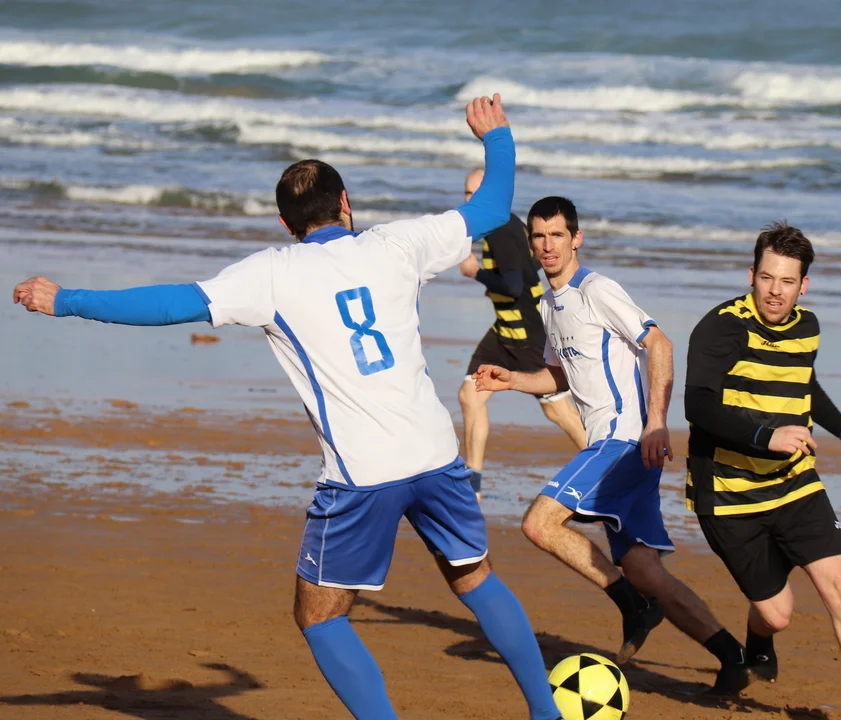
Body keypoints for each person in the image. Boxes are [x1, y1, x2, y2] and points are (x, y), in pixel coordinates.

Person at [12, 95, 563, 720]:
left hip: (361, 474)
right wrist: (497, 136)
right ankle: (546, 714)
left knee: (320, 616)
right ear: (346, 203)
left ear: (285, 223)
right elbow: (490, 209)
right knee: (475, 579)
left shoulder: (271, 274)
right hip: (437, 454)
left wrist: (67, 299)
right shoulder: (398, 243)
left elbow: (170, 304)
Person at [474, 196, 751, 694]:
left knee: (539, 523)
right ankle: (731, 656)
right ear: (530, 243)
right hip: (618, 447)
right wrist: (511, 380)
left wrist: (657, 424)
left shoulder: (597, 290)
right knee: (644, 569)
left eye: (557, 235)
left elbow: (659, 343)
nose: (548, 245)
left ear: (576, 239)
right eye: (539, 236)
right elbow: (560, 375)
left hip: (625, 442)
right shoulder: (549, 304)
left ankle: (632, 605)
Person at [683, 221, 841, 720]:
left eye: (787, 281)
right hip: (730, 493)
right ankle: (756, 644)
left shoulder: (808, 327)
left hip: (794, 482)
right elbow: (698, 405)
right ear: (751, 275)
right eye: (766, 278)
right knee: (777, 614)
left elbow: (805, 385)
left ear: (804, 285)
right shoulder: (722, 327)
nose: (775, 291)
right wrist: (767, 436)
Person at [457, 168, 586, 498]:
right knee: (471, 395)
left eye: (474, 194)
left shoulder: (502, 231)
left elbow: (514, 286)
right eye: (466, 193)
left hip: (528, 333)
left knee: (558, 410)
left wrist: (476, 273)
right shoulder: (500, 226)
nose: (468, 201)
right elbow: (525, 271)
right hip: (504, 329)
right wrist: (496, 286)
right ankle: (473, 485)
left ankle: (608, 469)